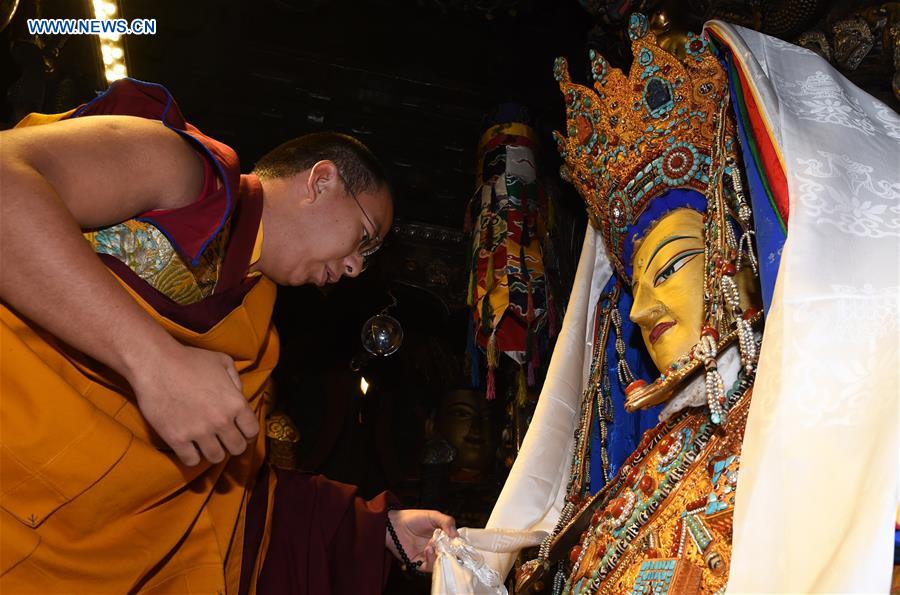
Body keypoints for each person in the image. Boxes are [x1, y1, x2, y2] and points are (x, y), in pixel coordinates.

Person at [476, 12, 897, 595]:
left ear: (741, 257)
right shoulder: (656, 455)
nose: (644, 311)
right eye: (636, 288)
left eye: (671, 265)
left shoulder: (819, 443)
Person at [0, 78, 456, 594]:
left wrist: (377, 531)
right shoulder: (182, 168)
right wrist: (150, 358)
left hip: (60, 548)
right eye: (365, 239)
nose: (355, 268)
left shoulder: (258, 332)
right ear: (321, 181)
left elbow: (232, 496)